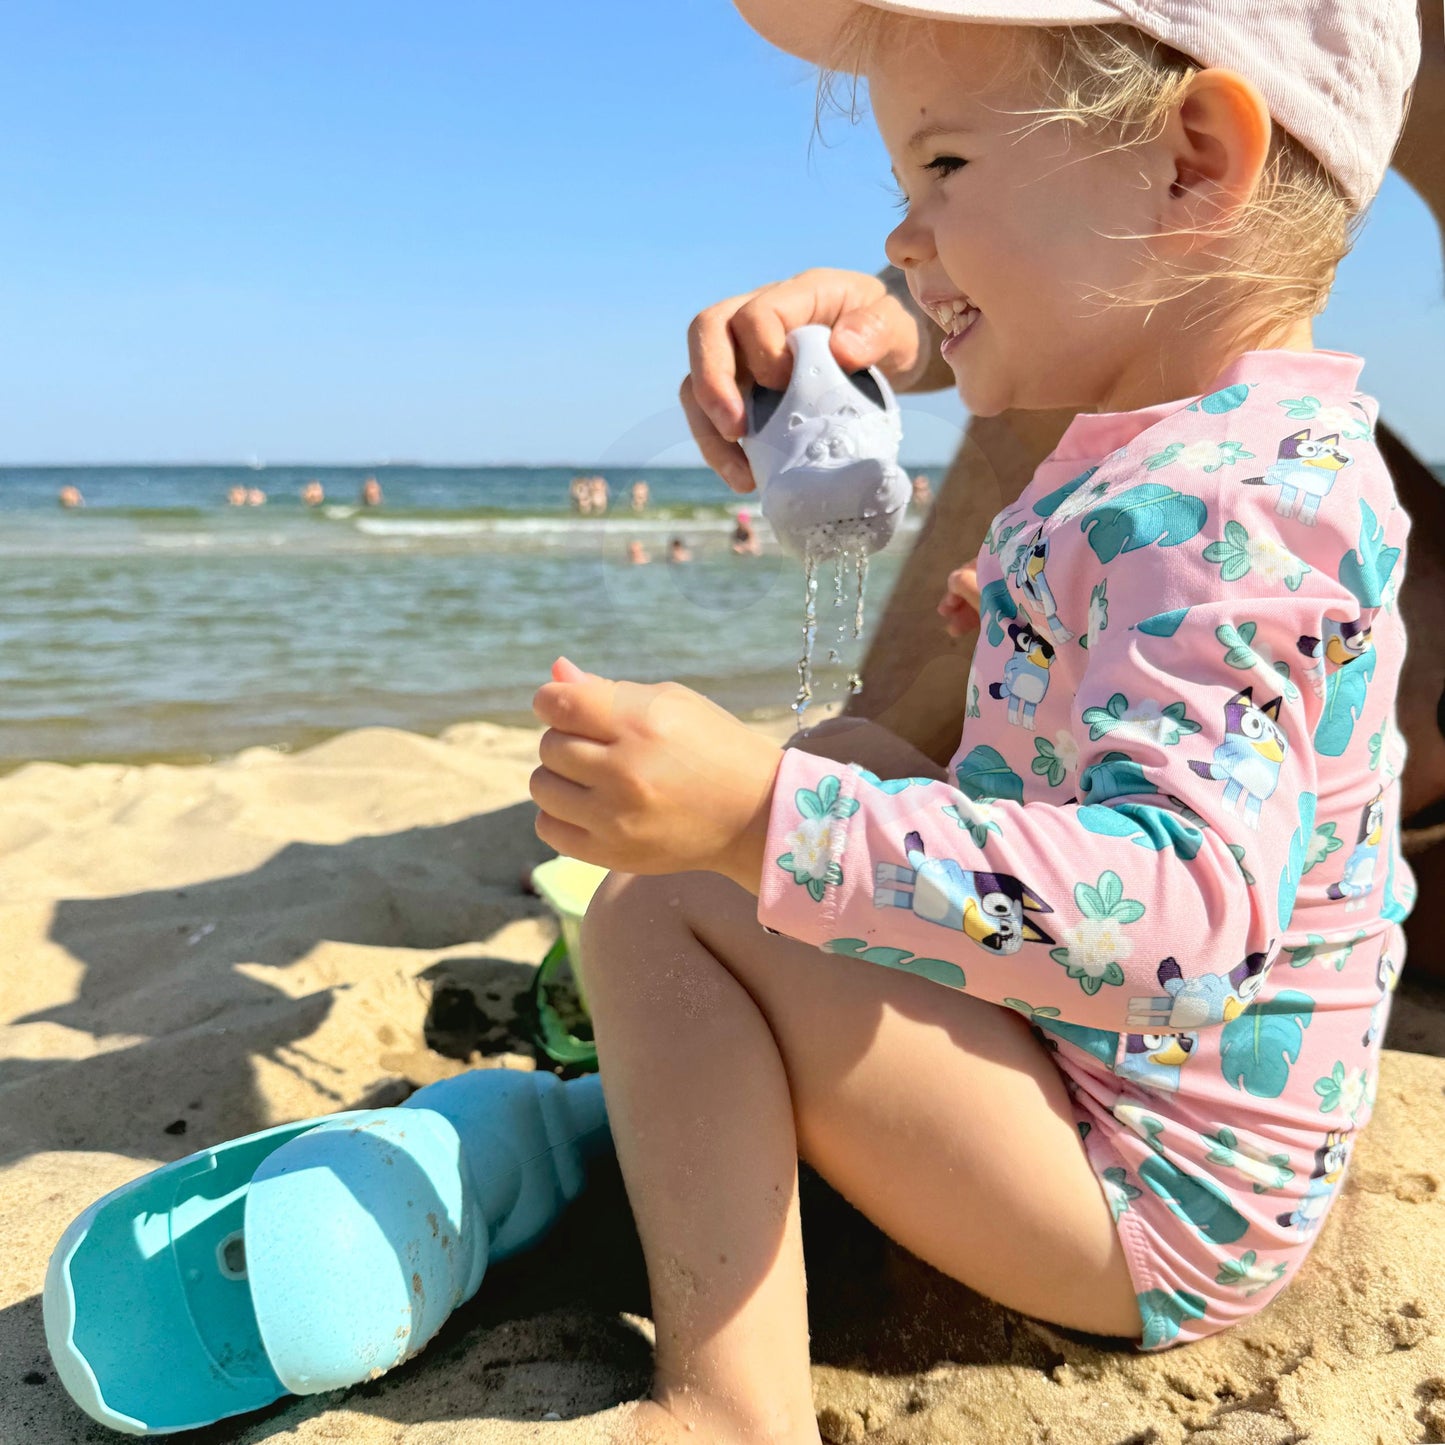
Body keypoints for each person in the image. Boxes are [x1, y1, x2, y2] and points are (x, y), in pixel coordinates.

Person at [530, 3, 1420, 1439]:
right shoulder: (1244, 451)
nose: (902, 236)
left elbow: (1186, 925)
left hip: (1142, 1198)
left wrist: (755, 815)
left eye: (941, 166)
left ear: (1193, 160)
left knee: (664, 904)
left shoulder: (1215, 506)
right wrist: (1035, 637)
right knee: (851, 761)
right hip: (1171, 1127)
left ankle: (725, 1404)